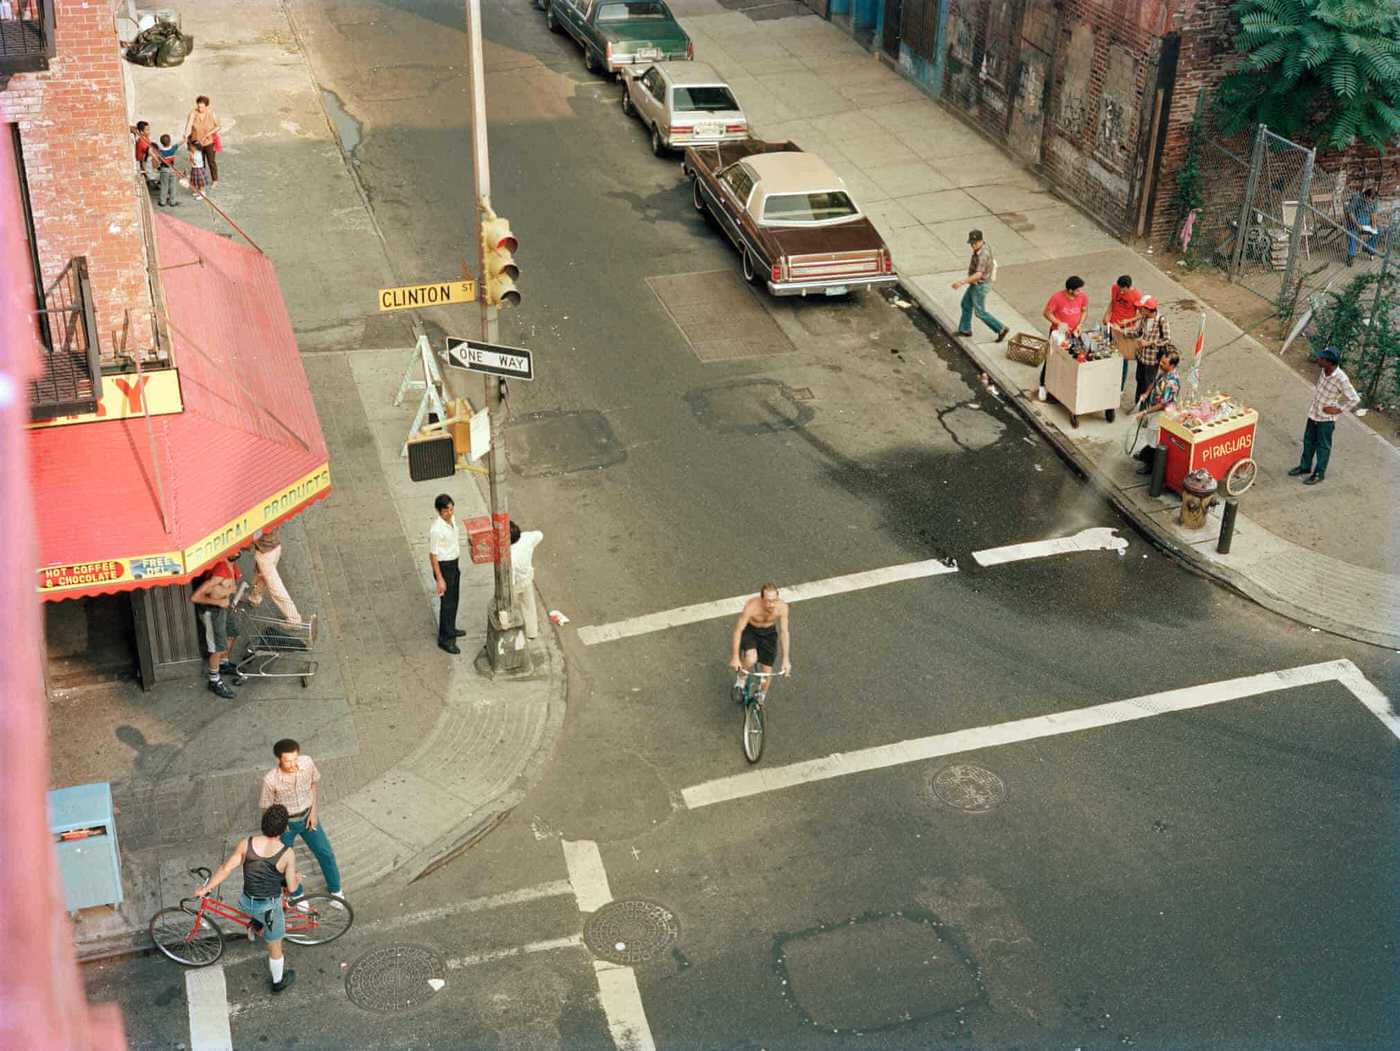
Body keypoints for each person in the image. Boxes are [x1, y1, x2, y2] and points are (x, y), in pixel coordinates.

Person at [194, 804, 299, 994]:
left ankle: (256, 924)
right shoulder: (287, 854)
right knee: (275, 946)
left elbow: (226, 868)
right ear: (284, 829)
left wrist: (205, 889)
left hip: (246, 902)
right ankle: (278, 981)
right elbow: (291, 888)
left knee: (256, 914)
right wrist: (296, 879)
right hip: (269, 907)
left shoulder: (246, 843)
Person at [259, 739, 345, 902]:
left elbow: (313, 784)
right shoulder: (270, 780)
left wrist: (313, 813)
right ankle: (297, 895)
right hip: (285, 824)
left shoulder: (307, 762)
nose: (293, 764)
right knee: (285, 862)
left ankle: (336, 890)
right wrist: (276, 830)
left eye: (295, 759)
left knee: (325, 853)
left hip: (308, 817)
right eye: (287, 761)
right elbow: (266, 808)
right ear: (278, 760)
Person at [1287, 347, 1359, 486]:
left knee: (1323, 447)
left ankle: (1319, 473)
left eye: (1322, 359)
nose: (1318, 359)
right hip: (1313, 413)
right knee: (1308, 441)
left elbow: (1354, 399)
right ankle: (1305, 467)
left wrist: (1338, 410)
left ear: (1329, 362)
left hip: (1326, 420)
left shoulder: (1341, 378)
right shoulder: (1324, 370)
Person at [190, 557, 245, 699]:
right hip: (212, 611)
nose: (237, 551)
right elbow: (195, 597)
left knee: (232, 632)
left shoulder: (232, 565)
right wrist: (219, 601)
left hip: (224, 607)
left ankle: (223, 663)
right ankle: (214, 680)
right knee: (217, 647)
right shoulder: (219, 572)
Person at [729, 583, 791, 703]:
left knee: (767, 674)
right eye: (767, 601)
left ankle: (760, 696)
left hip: (768, 634)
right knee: (751, 659)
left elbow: (784, 632)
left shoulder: (783, 607)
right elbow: (738, 630)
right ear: (761, 599)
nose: (771, 605)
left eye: (774, 600)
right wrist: (735, 657)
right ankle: (741, 678)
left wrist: (786, 659)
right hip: (751, 630)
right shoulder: (752, 607)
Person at [949, 229, 1009, 343]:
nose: (972, 245)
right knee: (966, 303)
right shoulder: (983, 247)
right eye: (971, 243)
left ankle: (1000, 328)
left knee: (980, 312)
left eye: (975, 243)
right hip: (977, 283)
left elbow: (978, 274)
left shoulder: (983, 255)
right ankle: (965, 329)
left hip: (980, 285)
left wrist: (961, 282)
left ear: (981, 241)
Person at [1037, 275, 1088, 401]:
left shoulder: (1082, 297)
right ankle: (1042, 385)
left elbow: (1084, 311)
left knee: (1070, 359)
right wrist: (1059, 323)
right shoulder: (1057, 298)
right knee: (1051, 358)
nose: (1080, 292)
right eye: (1077, 290)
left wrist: (1080, 324)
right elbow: (1046, 313)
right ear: (1070, 290)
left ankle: (1061, 387)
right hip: (1058, 332)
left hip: (1073, 333)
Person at [1132, 350, 1181, 476]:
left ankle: (1150, 466)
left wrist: (1145, 411)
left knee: (1154, 439)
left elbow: (1163, 404)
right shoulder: (1164, 372)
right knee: (1150, 434)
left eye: (1164, 363)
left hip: (1162, 414)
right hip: (1153, 408)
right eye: (1161, 361)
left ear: (1172, 366)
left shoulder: (1171, 382)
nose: (1160, 364)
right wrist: (1146, 394)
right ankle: (1146, 455)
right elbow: (1154, 383)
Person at [428, 493, 465, 654]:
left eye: (451, 509)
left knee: (454, 599)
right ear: (439, 511)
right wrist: (440, 579)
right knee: (447, 603)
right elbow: (433, 555)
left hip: (454, 563)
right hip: (444, 567)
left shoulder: (452, 520)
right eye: (445, 511)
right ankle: (445, 638)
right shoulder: (436, 529)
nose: (449, 513)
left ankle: (451, 628)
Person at [249, 526, 301, 624]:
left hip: (265, 554)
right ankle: (255, 597)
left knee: (275, 588)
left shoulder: (258, 521)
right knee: (261, 576)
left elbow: (254, 536)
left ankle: (294, 619)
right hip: (275, 547)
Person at [1103, 274, 1142, 394]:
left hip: (1124, 331)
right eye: (1119, 288)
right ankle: (1108, 379)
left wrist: (1128, 321)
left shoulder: (1136, 295)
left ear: (1128, 287)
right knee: (1108, 352)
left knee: (1123, 359)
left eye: (1122, 289)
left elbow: (1141, 314)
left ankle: (1120, 386)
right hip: (1112, 325)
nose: (1120, 291)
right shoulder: (1115, 288)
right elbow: (1112, 302)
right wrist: (1106, 314)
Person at [1130, 295, 1171, 404]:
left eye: (1142, 308)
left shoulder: (1161, 321)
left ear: (1148, 309)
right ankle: (1137, 403)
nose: (1139, 310)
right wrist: (1123, 331)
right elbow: (1137, 332)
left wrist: (1149, 343)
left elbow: (1167, 339)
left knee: (1148, 383)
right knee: (1139, 380)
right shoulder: (1144, 318)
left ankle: (1145, 407)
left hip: (1152, 360)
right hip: (1141, 357)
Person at [508, 521, 544, 640]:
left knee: (509, 606)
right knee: (529, 605)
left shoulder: (511, 555)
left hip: (516, 583)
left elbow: (511, 579)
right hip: (527, 578)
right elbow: (539, 534)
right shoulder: (527, 538)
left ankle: (511, 630)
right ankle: (531, 633)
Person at [183, 95, 222, 185]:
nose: (200, 108)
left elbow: (218, 126)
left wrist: (208, 133)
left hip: (209, 142)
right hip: (196, 142)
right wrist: (186, 135)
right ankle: (203, 180)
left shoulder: (211, 113)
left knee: (211, 161)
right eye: (198, 106)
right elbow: (189, 126)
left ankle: (215, 180)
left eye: (202, 107)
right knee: (200, 162)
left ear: (206, 106)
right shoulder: (193, 113)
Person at [1344, 186, 1379, 266]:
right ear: (1365, 196)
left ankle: (1368, 248)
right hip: (1355, 221)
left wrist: (1374, 225)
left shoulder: (1374, 200)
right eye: (1369, 199)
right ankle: (1351, 256)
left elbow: (1374, 213)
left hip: (1367, 221)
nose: (1370, 202)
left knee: (1377, 231)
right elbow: (1350, 213)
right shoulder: (1356, 198)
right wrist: (1357, 225)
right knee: (1352, 233)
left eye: (1372, 200)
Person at [153, 133, 179, 208]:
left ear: (161, 143)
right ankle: (173, 202)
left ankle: (162, 202)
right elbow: (179, 143)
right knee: (172, 185)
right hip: (172, 169)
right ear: (170, 141)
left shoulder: (160, 152)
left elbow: (158, 159)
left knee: (164, 185)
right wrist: (184, 139)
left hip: (164, 169)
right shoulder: (173, 148)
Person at [186, 135, 208, 200]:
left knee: (200, 183)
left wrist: (191, 158)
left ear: (195, 147)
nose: (190, 147)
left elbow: (194, 163)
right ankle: (199, 192)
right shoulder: (196, 152)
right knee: (196, 182)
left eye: (191, 147)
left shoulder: (197, 154)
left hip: (198, 169)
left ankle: (203, 194)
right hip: (195, 169)